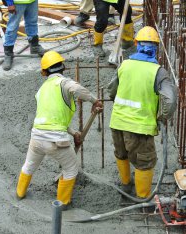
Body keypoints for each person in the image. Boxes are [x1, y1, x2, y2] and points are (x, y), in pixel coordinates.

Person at [16, 51, 103, 208]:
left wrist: (73, 133)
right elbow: (77, 89)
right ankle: (62, 203)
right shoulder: (63, 83)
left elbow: (53, 119)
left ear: (44, 72)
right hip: (55, 140)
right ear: (63, 67)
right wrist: (94, 100)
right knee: (71, 169)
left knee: (29, 165)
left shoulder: (41, 91)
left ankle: (20, 193)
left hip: (36, 137)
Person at [108, 26, 177, 199]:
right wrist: (162, 116)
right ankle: (143, 198)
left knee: (121, 153)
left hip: (117, 122)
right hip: (140, 128)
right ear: (156, 48)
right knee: (144, 163)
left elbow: (111, 90)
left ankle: (125, 185)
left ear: (137, 44)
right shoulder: (158, 72)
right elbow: (170, 100)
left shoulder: (124, 65)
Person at [3, 0, 46, 71]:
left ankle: (34, 47)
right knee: (12, 27)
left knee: (32, 23)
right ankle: (8, 54)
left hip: (32, 1)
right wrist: (10, 3)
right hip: (17, 2)